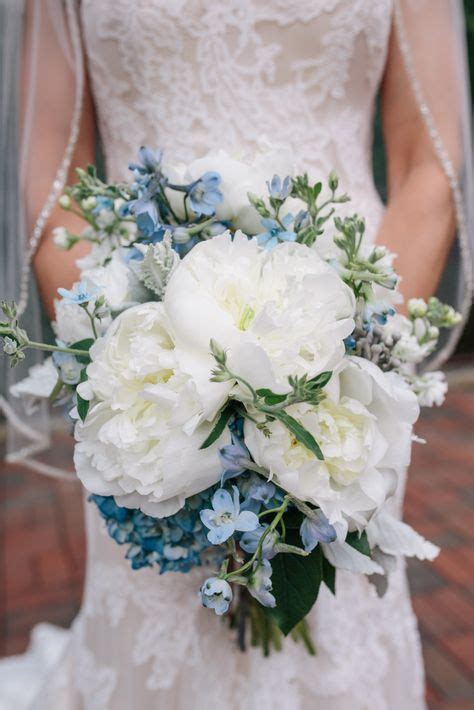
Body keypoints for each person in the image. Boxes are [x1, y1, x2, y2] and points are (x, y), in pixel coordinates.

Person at [1, 1, 472, 708]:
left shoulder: (348, 362)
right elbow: (54, 182)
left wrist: (347, 367)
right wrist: (123, 364)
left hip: (347, 341)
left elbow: (426, 165)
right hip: (151, 364)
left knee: (336, 608)